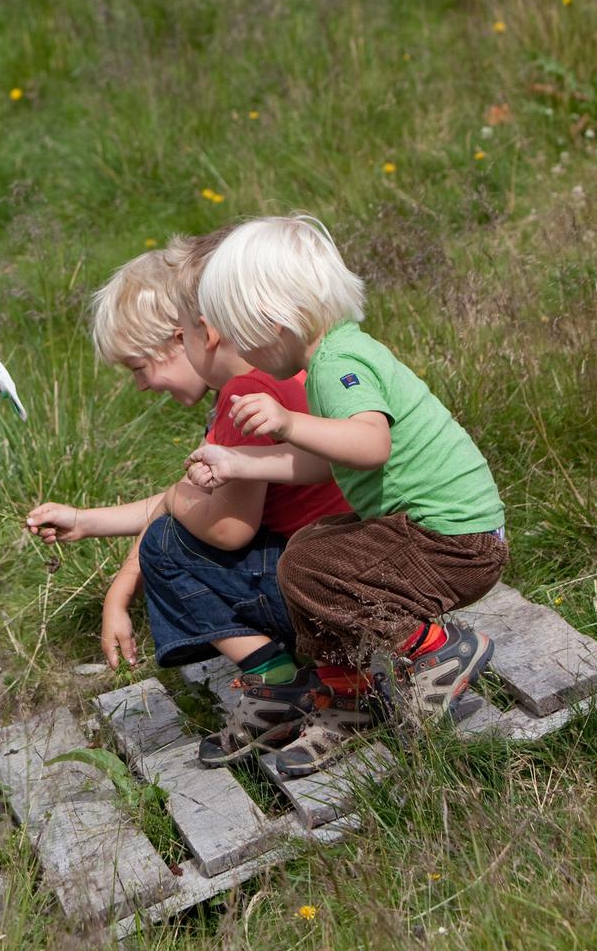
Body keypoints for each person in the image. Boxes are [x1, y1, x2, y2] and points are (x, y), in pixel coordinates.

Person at [186, 214, 507, 777]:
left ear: (274, 318)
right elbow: (325, 462)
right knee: (310, 550)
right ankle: (349, 695)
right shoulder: (336, 356)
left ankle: (437, 649)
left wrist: (285, 421)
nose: (238, 350)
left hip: (455, 542)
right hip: (447, 534)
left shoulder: (336, 365)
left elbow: (369, 443)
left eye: (241, 334)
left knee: (311, 564)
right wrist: (236, 459)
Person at [27, 232, 348, 764]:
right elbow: (185, 502)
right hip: (343, 560)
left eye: (138, 367)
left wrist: (171, 508)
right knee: (172, 532)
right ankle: (304, 668)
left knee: (170, 544)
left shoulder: (245, 398)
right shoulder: (281, 371)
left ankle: (277, 686)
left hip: (310, 581)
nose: (139, 385)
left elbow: (224, 530)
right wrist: (87, 523)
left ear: (188, 337)